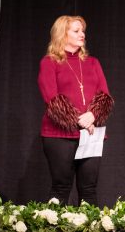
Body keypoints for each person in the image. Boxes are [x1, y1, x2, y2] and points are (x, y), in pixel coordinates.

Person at [38, 15, 114, 206]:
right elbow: (52, 98)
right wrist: (78, 121)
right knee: (61, 187)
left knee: (89, 189)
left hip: (91, 132)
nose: (82, 34)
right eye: (76, 31)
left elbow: (104, 95)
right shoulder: (50, 62)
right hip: (59, 135)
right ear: (63, 34)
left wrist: (92, 115)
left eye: (83, 31)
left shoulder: (93, 62)